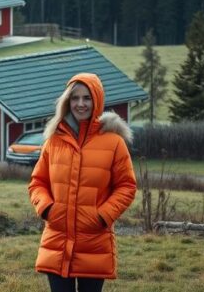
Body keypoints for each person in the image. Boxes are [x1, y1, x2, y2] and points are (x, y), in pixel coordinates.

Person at [28, 73, 137, 292]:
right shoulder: (54, 140)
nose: (80, 104)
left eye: (86, 98)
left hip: (94, 242)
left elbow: (127, 186)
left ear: (96, 100)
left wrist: (102, 216)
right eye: (75, 98)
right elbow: (38, 182)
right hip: (56, 240)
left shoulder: (113, 142)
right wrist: (48, 209)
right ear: (67, 101)